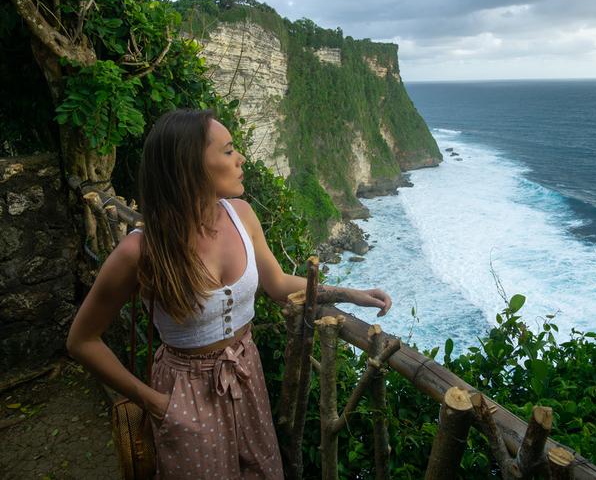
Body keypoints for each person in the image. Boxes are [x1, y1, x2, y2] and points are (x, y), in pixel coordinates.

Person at [66, 108, 392, 479]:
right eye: (228, 151)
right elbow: (82, 340)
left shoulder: (242, 215)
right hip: (183, 391)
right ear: (189, 165)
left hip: (245, 375)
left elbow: (278, 284)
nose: (241, 159)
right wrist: (156, 403)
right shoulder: (140, 250)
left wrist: (350, 293)